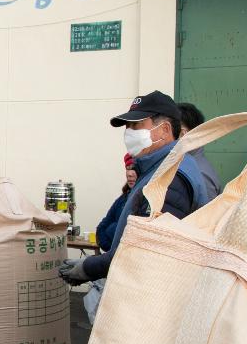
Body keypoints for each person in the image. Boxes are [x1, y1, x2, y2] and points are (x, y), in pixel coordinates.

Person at [59, 91, 210, 286]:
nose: (128, 133)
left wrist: (89, 268)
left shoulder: (170, 178)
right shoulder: (157, 169)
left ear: (164, 129)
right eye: (127, 127)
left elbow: (145, 251)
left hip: (154, 297)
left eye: (136, 125)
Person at [177, 102, 221, 197]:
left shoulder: (200, 174)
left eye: (169, 129)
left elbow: (207, 211)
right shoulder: (185, 164)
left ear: (182, 133)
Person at [94, 154, 136, 252]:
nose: (130, 174)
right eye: (127, 168)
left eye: (133, 168)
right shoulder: (122, 199)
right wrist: (111, 249)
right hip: (112, 254)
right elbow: (101, 227)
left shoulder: (145, 201)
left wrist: (112, 229)